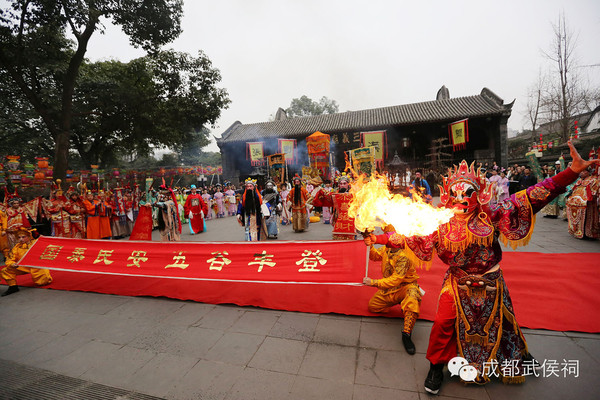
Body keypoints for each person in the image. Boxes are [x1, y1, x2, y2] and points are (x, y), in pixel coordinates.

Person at [364, 141, 599, 394]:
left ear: (479, 195)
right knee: (443, 322)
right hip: (457, 281)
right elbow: (412, 237)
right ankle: (436, 366)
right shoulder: (439, 221)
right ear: (448, 195)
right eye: (456, 193)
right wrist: (378, 238)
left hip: (490, 281)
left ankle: (519, 357)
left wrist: (571, 172)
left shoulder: (492, 214)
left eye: (468, 194)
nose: (461, 199)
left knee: (505, 321)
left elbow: (531, 197)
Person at [363, 224, 422, 354]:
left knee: (412, 298)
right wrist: (370, 245)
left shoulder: (404, 255)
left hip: (405, 287)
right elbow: (374, 256)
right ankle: (400, 303)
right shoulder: (388, 249)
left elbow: (396, 279)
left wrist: (373, 282)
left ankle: (406, 334)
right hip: (389, 290)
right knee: (373, 306)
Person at [1, 227, 53, 296]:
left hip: (36, 266)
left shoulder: (36, 243)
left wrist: (43, 238)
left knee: (43, 282)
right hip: (23, 266)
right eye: (19, 237)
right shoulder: (17, 247)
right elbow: (10, 259)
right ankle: (13, 287)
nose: (21, 239)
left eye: (23, 237)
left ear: (28, 236)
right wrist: (12, 264)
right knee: (5, 270)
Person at [312, 173, 356, 240]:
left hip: (350, 218)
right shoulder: (335, 193)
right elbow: (328, 198)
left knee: (351, 239)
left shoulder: (353, 193)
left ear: (348, 184)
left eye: (344, 183)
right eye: (341, 184)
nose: (342, 185)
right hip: (338, 217)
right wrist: (322, 191)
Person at [566, 168, 600, 239]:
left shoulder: (593, 180)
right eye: (581, 171)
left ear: (588, 172)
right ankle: (578, 231)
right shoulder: (579, 181)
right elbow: (574, 190)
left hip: (588, 204)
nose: (581, 173)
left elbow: (593, 193)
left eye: (583, 171)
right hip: (577, 203)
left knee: (588, 218)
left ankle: (587, 233)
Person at [2, 192, 32, 257]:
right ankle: (14, 256)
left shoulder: (22, 209)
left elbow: (26, 218)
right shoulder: (7, 210)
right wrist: (5, 229)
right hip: (11, 230)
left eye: (17, 203)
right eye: (14, 203)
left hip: (21, 229)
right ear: (11, 204)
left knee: (22, 241)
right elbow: (4, 220)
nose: (16, 205)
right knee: (12, 243)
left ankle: (23, 255)